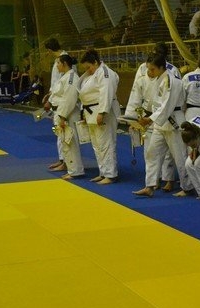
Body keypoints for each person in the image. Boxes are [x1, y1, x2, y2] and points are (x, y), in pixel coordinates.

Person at [132, 53, 192, 197]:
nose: (149, 72)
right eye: (148, 69)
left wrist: (149, 119)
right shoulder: (160, 79)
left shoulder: (171, 81)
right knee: (152, 153)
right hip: (160, 123)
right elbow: (158, 105)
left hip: (173, 121)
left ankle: (187, 187)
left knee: (180, 156)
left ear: (161, 67)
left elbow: (167, 105)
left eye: (152, 69)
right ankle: (150, 186)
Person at [125, 43, 179, 192]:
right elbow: (136, 92)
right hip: (148, 113)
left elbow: (173, 99)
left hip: (166, 115)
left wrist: (152, 118)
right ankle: (152, 182)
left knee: (169, 153)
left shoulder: (172, 71)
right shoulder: (143, 68)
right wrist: (131, 118)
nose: (150, 71)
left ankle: (169, 179)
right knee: (150, 150)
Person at [78, 49, 120, 184]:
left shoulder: (105, 73)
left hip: (103, 112)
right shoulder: (91, 75)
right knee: (97, 145)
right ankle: (103, 172)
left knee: (106, 143)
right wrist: (83, 112)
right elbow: (84, 96)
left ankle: (110, 174)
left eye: (89, 67)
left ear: (95, 62)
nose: (88, 70)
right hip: (90, 112)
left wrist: (102, 112)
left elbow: (106, 93)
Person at [48, 53, 83, 180]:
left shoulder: (71, 78)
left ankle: (75, 171)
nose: (57, 66)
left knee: (70, 142)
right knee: (65, 143)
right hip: (61, 112)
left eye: (58, 63)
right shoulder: (65, 77)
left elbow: (69, 99)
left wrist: (63, 117)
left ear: (65, 64)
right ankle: (70, 168)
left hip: (68, 114)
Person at [42, 38, 67, 171]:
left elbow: (62, 85)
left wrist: (50, 100)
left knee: (64, 133)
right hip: (56, 99)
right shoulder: (59, 60)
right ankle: (62, 159)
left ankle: (66, 161)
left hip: (62, 101)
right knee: (59, 132)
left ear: (50, 50)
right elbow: (56, 83)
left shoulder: (64, 60)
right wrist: (49, 94)